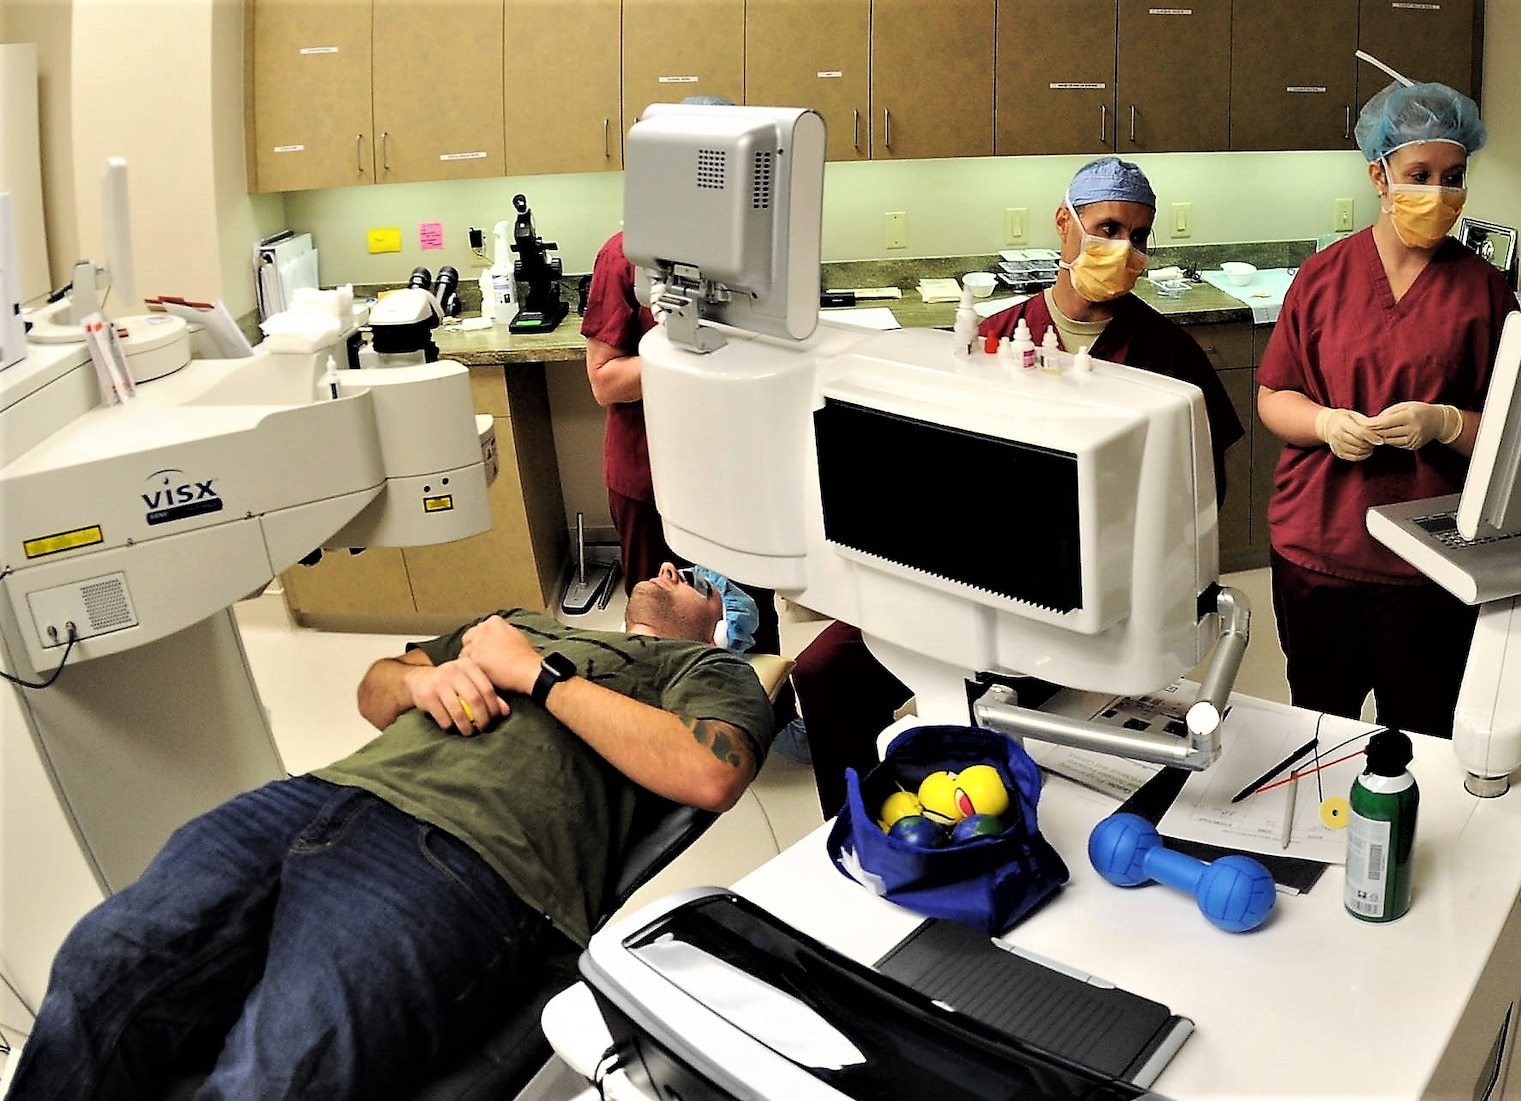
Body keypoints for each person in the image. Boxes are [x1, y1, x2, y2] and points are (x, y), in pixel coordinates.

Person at [9, 563, 776, 1099]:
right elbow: (376, 690)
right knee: (101, 965)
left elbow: (709, 772)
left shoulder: (704, 672)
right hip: (315, 799)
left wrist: (537, 675)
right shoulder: (519, 620)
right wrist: (424, 679)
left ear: (723, 625)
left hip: (465, 857)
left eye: (701, 581)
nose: (676, 570)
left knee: (277, 1072)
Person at [791, 156, 1247, 818]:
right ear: (1064, 224)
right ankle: (856, 826)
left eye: (1140, 236)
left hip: (1084, 601)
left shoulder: (1170, 358)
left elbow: (1204, 502)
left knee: (995, 734)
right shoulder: (995, 338)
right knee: (824, 673)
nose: (1125, 250)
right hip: (961, 567)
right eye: (1108, 228)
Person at [1255, 81, 1513, 740]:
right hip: (1319, 548)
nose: (1438, 193)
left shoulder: (1483, 291)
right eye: (1418, 175)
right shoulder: (1323, 276)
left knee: (1420, 734)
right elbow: (1272, 395)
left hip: (1428, 559)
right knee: (1317, 725)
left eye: (1452, 177)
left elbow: (1515, 431)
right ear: (1379, 174)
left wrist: (1447, 423)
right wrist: (1322, 422)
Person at [581, 95, 782, 656]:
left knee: (749, 620)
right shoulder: (625, 257)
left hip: (737, 473)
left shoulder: (762, 257)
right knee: (664, 638)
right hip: (653, 476)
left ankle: (752, 718)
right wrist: (690, 354)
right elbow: (605, 382)